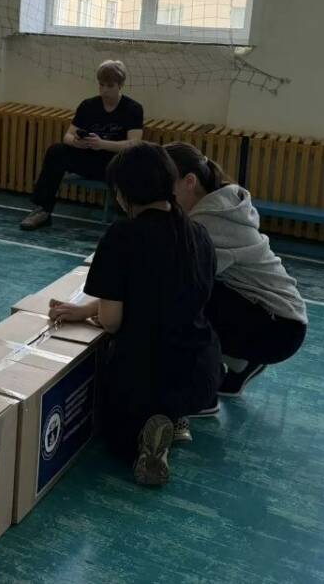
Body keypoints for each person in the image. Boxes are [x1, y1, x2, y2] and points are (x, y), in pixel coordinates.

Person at [48, 143, 222, 488]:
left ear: (124, 192)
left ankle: (145, 439)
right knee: (166, 373)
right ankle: (174, 417)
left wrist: (92, 315)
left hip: (147, 373)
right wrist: (86, 310)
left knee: (113, 431)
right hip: (201, 371)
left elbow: (112, 320)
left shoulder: (122, 235)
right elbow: (165, 295)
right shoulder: (198, 234)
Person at [165, 142, 308, 397]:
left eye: (166, 186)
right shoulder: (216, 203)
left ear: (189, 182)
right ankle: (240, 363)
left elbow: (179, 278)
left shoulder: (209, 221)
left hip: (279, 328)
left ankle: (202, 392)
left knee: (178, 299)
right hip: (280, 319)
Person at [20, 60, 143, 231]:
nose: (104, 90)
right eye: (101, 85)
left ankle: (126, 218)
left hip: (113, 163)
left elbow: (134, 144)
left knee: (134, 163)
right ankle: (43, 210)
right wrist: (77, 142)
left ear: (120, 85)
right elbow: (68, 136)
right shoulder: (88, 105)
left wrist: (102, 144)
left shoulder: (133, 108)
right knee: (56, 151)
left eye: (110, 86)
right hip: (88, 157)